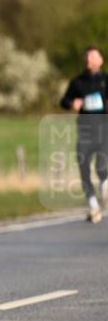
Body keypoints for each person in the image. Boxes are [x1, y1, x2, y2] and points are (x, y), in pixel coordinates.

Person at [59, 45, 108, 224]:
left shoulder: (106, 81)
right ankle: (93, 205)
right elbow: (63, 101)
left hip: (103, 129)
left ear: (100, 60)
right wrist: (73, 103)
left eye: (93, 57)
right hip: (85, 131)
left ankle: (105, 190)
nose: (89, 61)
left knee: (102, 166)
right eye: (87, 58)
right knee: (83, 167)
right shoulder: (77, 82)